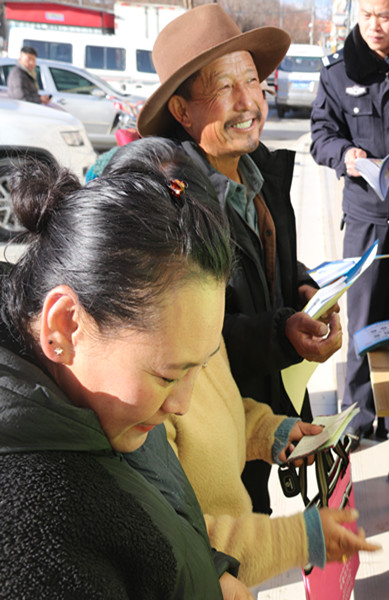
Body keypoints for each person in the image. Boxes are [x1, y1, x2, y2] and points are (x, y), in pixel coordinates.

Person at [103, 136, 380, 587]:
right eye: (173, 374)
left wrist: (269, 431)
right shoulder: (125, 417)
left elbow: (222, 401)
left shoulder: (187, 316)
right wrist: (300, 538)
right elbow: (187, 545)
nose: (184, 398)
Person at [0, 157, 251, 598]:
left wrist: (210, 572)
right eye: (168, 376)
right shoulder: (31, 539)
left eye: (201, 366)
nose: (182, 404)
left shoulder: (103, 404)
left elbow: (156, 506)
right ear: (66, 327)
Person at [136, 4, 342, 514]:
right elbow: (189, 342)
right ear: (183, 112)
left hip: (265, 416)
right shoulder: (173, 209)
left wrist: (305, 292)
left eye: (253, 80)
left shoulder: (260, 174)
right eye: (224, 87)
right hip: (209, 440)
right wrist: (280, 333)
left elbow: (274, 264)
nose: (248, 101)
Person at [309, 0, 389, 441]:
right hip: (366, 218)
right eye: (365, 15)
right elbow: (321, 136)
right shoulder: (338, 71)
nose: (374, 26)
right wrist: (347, 155)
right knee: (364, 321)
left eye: (383, 15)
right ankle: (361, 419)